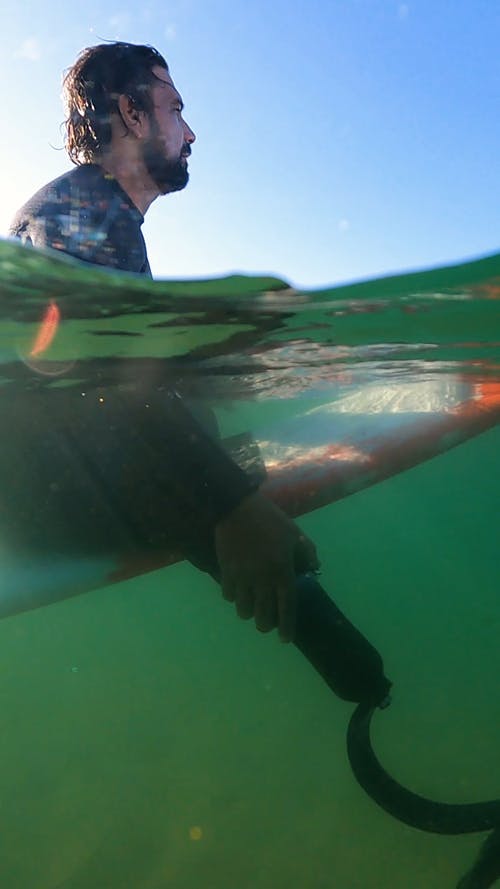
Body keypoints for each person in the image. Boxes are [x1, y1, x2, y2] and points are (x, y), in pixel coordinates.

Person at [9, 41, 319, 642]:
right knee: (256, 506)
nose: (191, 133)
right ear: (131, 113)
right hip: (46, 506)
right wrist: (232, 504)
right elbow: (93, 390)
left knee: (205, 415)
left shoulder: (90, 211)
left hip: (65, 484)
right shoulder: (80, 215)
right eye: (175, 108)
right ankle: (362, 683)